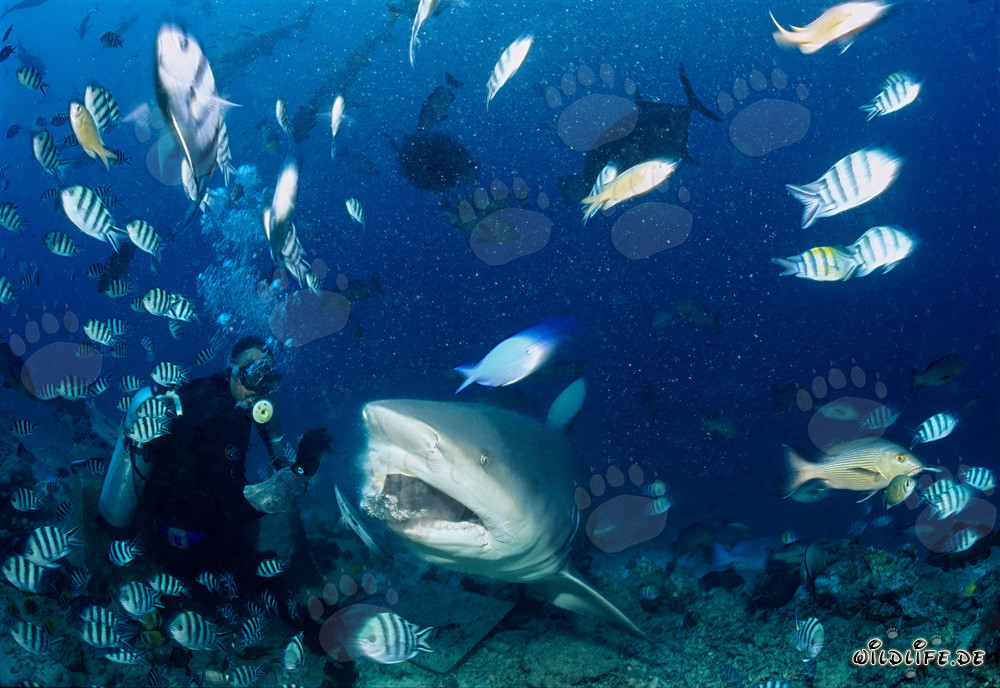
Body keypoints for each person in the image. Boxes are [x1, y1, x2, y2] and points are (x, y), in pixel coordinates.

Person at [97, 335, 330, 583]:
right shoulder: (217, 415)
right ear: (232, 370)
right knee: (267, 588)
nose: (258, 386)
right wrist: (300, 470)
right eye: (252, 372)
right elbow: (235, 507)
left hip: (191, 530)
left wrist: (284, 461)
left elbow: (269, 440)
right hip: (183, 551)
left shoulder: (221, 393)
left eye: (266, 377)